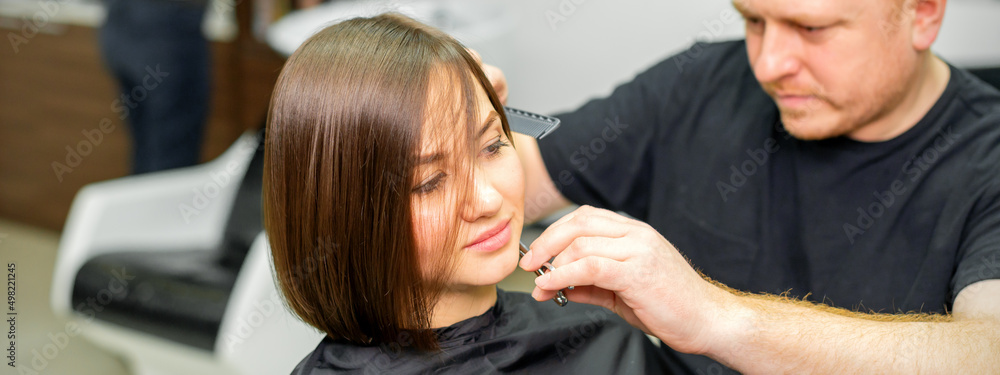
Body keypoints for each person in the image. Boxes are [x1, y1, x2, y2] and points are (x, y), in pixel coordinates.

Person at [489, 0, 1000, 373]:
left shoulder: (987, 159)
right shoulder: (699, 84)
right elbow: (517, 181)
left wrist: (713, 315)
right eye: (754, 20)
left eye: (811, 27)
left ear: (924, 14)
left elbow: (986, 353)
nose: (769, 64)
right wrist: (453, 116)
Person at [261, 13, 669, 374]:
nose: (488, 200)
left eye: (492, 146)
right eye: (429, 182)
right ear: (342, 214)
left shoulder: (604, 343)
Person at [99, 0, 210, 174]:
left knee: (146, 147)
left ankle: (141, 196)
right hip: (165, 30)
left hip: (122, 22)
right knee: (171, 162)